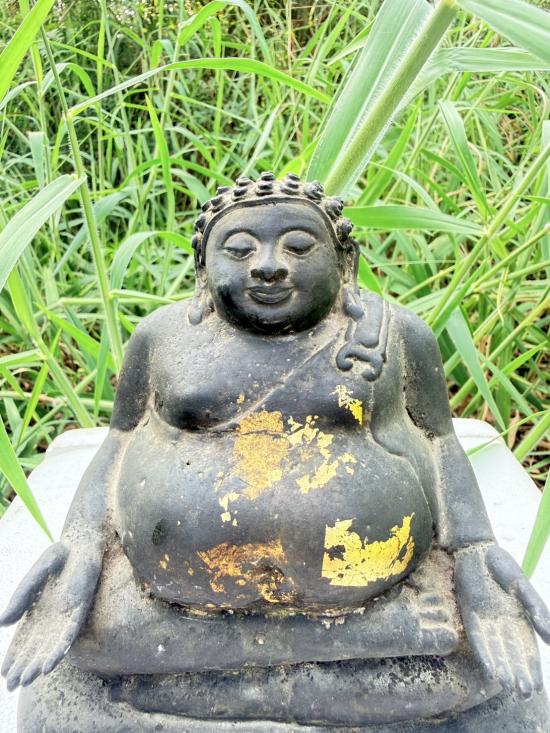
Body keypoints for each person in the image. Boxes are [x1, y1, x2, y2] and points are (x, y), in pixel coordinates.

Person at [2, 173, 549, 731]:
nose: (268, 266)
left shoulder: (395, 334)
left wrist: (474, 550)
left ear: (345, 264)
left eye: (299, 246)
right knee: (90, 645)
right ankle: (377, 646)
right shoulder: (162, 337)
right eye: (239, 249)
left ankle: (217, 689)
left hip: (369, 586)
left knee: (479, 666)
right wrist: (82, 542)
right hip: (177, 595)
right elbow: (120, 440)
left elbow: (439, 441)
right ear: (203, 269)